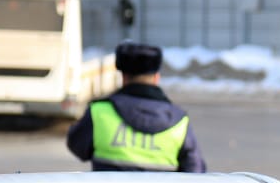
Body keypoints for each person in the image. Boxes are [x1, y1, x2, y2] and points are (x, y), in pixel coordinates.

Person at [66, 41, 207, 172]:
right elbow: (195, 171)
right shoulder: (178, 121)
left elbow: (77, 145)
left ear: (123, 77)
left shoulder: (99, 113)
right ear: (157, 77)